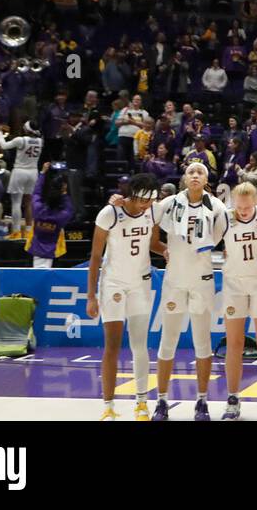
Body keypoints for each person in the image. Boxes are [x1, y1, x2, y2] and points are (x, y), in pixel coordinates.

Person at [137, 162, 229, 420]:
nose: (195, 175)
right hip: (175, 280)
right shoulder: (168, 204)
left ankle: (202, 401)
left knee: (203, 344)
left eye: (200, 172)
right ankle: (161, 401)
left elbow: (218, 238)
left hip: (202, 280)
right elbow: (149, 232)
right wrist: (164, 250)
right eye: (191, 172)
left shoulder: (218, 207)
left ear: (206, 178)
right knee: (168, 343)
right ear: (184, 178)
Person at [87, 173, 160, 421]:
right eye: (142, 200)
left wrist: (170, 251)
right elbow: (96, 256)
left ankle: (142, 403)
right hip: (113, 285)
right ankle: (108, 405)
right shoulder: (110, 213)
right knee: (112, 346)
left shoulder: (153, 212)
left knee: (140, 345)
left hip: (140, 283)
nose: (146, 205)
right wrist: (91, 295)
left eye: (150, 201)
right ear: (132, 195)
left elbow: (155, 243)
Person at [218, 181, 257, 422]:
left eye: (248, 207)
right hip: (234, 284)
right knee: (234, 343)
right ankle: (233, 399)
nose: (244, 211)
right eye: (240, 207)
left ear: (255, 202)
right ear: (234, 202)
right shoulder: (224, 217)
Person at [0, 121, 43, 238]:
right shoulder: (40, 141)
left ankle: (16, 232)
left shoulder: (20, 140)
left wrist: (0, 134)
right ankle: (29, 231)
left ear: (26, 129)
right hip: (33, 172)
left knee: (16, 203)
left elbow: (4, 146)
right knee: (28, 203)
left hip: (20, 171)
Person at [27, 167, 75, 268]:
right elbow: (69, 209)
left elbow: (36, 193)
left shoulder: (38, 210)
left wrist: (42, 173)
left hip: (36, 250)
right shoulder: (60, 217)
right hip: (52, 252)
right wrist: (64, 193)